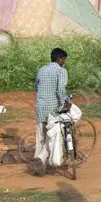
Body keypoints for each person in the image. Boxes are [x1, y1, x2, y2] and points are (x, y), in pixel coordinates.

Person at [33, 48, 71, 176]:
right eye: (64, 60)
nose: (64, 62)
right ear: (60, 59)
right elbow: (61, 90)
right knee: (53, 138)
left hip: (40, 109)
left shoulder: (41, 70)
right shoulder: (61, 71)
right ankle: (42, 158)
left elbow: (36, 88)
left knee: (40, 137)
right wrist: (64, 103)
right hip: (53, 110)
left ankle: (39, 165)